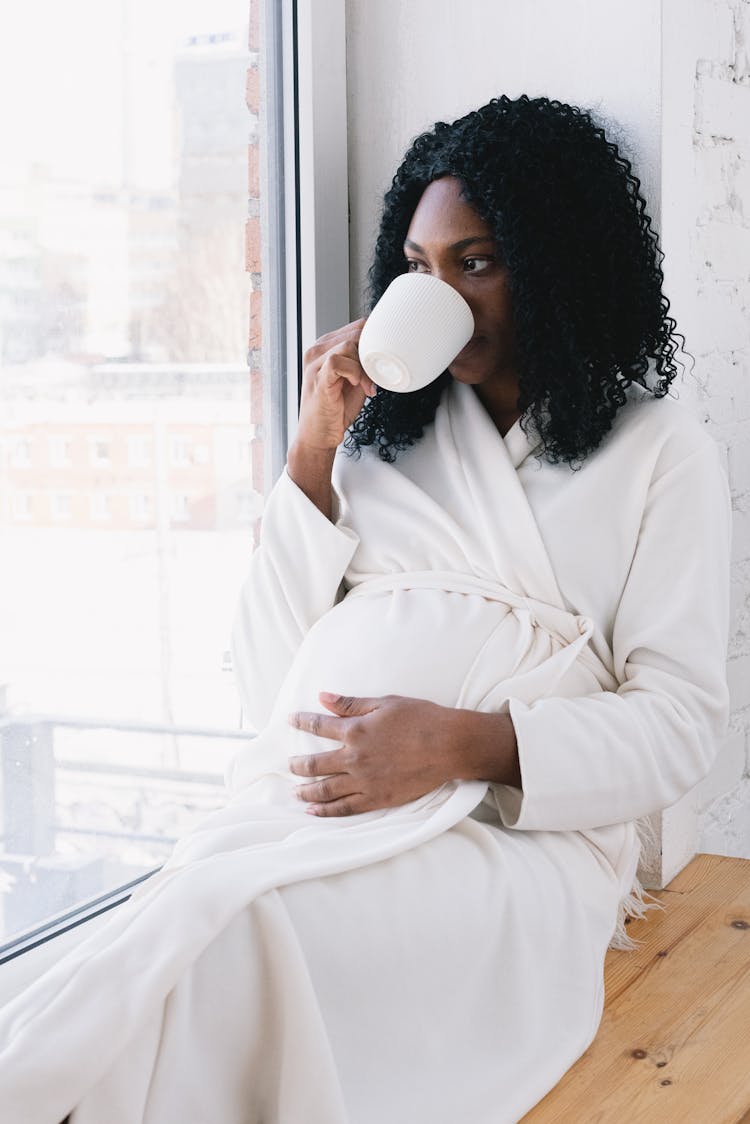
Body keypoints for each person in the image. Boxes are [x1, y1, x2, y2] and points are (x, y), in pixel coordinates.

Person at [0, 95, 730, 1124]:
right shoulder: (383, 442)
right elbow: (265, 685)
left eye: (476, 262)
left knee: (234, 930)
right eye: (418, 268)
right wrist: (311, 461)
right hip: (302, 807)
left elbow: (683, 723)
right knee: (173, 936)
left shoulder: (658, 453)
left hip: (510, 839)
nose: (442, 294)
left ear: (558, 266)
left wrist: (462, 745)